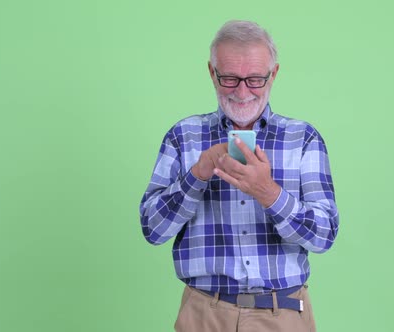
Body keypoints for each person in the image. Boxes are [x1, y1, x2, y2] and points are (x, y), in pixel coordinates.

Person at [140, 20, 339, 332]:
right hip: (203, 315)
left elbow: (324, 235)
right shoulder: (184, 136)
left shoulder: (303, 139)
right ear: (211, 72)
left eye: (256, 79)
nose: (243, 92)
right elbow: (152, 229)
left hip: (283, 314)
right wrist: (198, 173)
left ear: (273, 74)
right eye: (230, 79)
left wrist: (269, 193)